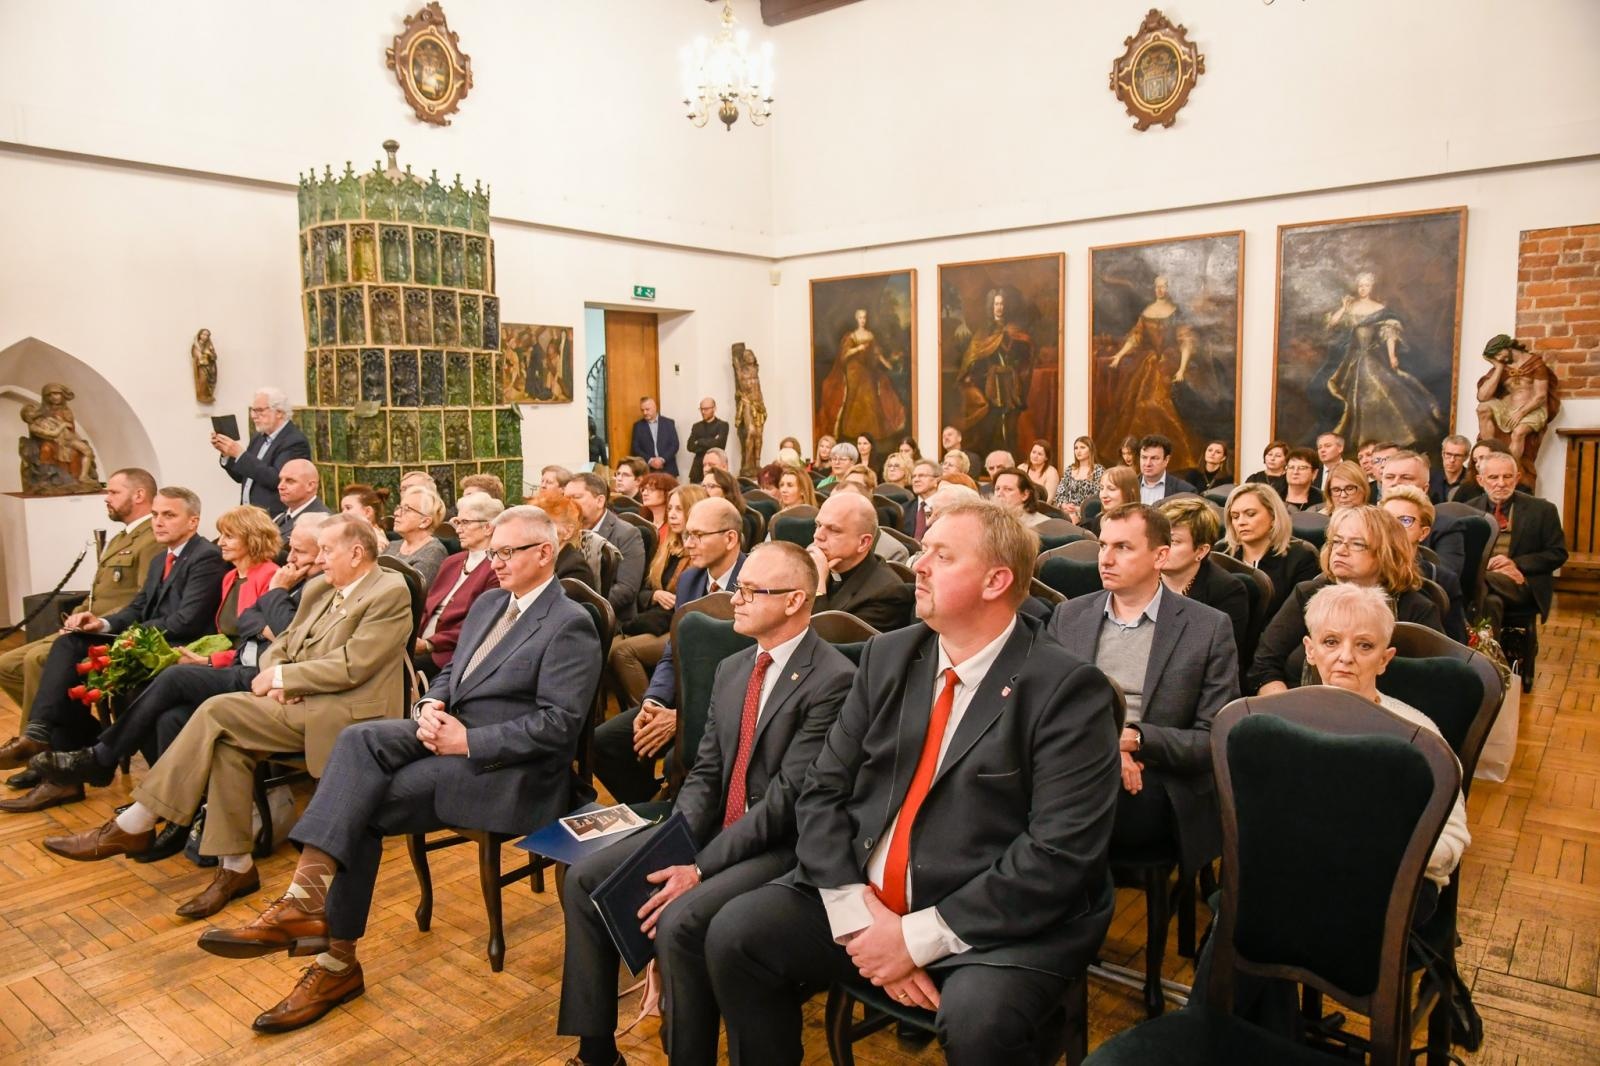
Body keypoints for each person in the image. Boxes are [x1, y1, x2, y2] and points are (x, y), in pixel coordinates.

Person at [706, 501, 1122, 1066]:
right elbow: (823, 790)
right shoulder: (889, 655)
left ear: (996, 581)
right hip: (869, 897)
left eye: (941, 555)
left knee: (981, 1022)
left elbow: (1058, 854)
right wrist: (859, 918)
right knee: (737, 934)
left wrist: (913, 939)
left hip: (989, 918)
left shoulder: (1067, 689)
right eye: (924, 551)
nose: (918, 565)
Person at [195, 506, 601, 1033]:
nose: (493, 562)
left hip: (506, 769)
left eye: (506, 553)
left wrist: (467, 740)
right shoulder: (491, 602)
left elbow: (559, 726)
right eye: (492, 551)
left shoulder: (570, 623)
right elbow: (452, 671)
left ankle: (333, 960)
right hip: (448, 732)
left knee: (359, 805)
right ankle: (304, 903)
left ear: (543, 553)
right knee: (359, 737)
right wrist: (430, 705)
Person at [559, 543, 855, 1066]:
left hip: (780, 844)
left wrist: (697, 865)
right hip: (716, 825)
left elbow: (786, 801)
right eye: (738, 587)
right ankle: (596, 1053)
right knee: (584, 879)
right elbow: (707, 770)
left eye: (749, 591)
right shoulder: (734, 666)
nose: (734, 599)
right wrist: (675, 839)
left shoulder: (832, 679)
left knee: (680, 922)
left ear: (794, 601)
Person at [40, 516, 411, 923]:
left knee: (218, 710)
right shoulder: (323, 588)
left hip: (346, 712)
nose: (317, 561)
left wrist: (287, 676)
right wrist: (278, 676)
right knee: (226, 743)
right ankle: (235, 866)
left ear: (357, 553)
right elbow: (282, 642)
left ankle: (139, 820)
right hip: (298, 700)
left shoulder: (389, 592)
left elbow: (354, 665)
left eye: (326, 550)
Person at [32, 515, 324, 859]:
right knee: (169, 716)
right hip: (242, 664)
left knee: (173, 678)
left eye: (301, 552)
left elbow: (289, 634)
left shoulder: (297, 582)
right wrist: (259, 625)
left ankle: (103, 758)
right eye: (292, 549)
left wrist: (274, 596)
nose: (290, 558)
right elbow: (248, 622)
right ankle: (177, 815)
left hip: (268, 677)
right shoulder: (259, 577)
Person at [1049, 504, 1238, 926]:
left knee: (1070, 811)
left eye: (1122, 547)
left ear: (1160, 556)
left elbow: (1212, 738)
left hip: (1157, 777)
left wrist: (1134, 739)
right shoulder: (1070, 615)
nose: (1105, 558)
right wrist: (1107, 748)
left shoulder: (1208, 627)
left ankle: (1065, 934)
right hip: (1076, 762)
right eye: (1102, 545)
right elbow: (1044, 709)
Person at [0, 487, 227, 812]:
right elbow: (137, 607)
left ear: (193, 522)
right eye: (155, 514)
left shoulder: (204, 556)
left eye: (169, 515)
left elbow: (186, 621)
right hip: (144, 641)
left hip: (173, 648)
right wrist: (102, 624)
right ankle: (41, 737)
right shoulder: (161, 558)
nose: (158, 522)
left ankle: (67, 763)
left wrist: (128, 636)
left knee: (76, 670)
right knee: (69, 645)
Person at [1301, 583, 1469, 894]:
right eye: (1331, 641)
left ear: (1385, 658)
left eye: (1364, 646)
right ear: (1310, 650)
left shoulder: (1418, 735)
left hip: (1389, 886)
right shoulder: (1280, 720)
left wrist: (1379, 850)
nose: (1345, 657)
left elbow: (1451, 841)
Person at [593, 499, 746, 804]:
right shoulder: (691, 579)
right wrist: (653, 701)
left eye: (698, 535)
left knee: (682, 754)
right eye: (687, 534)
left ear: (730, 538)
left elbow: (753, 668)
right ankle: (654, 807)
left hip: (731, 711)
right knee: (603, 742)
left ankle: (681, 816)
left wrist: (681, 718)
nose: (688, 544)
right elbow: (671, 652)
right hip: (683, 699)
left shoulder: (754, 581)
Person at [0, 468, 160, 739]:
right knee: (6, 665)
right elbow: (98, 592)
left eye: (113, 492)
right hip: (83, 627)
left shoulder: (151, 539)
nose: (106, 498)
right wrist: (75, 616)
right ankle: (76, 731)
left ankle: (38, 745)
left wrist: (96, 623)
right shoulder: (121, 537)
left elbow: (143, 598)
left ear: (139, 495)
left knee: (36, 660)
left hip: (108, 633)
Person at [1248, 505, 1445, 695]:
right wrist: (1288, 709)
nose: (1341, 550)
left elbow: (1429, 686)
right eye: (1337, 541)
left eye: (1357, 544)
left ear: (1387, 552)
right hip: (1293, 707)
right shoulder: (1308, 593)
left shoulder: (1417, 610)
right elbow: (1264, 665)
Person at [608, 484, 710, 709]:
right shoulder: (666, 546)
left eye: (679, 509)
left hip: (673, 624)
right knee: (608, 647)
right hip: (655, 618)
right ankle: (628, 709)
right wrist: (655, 595)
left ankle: (647, 709)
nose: (672, 514)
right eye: (670, 508)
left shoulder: (702, 553)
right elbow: (642, 589)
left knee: (623, 652)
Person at [1320, 272, 1444, 447]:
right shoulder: (1350, 307)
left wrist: (1392, 356)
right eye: (1361, 285)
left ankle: (1395, 437)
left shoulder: (1380, 309)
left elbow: (1389, 333)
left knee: (1379, 387)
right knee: (1355, 393)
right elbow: (1332, 324)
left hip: (1372, 356)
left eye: (1367, 285)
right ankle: (1358, 439)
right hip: (1351, 357)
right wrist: (1343, 307)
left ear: (1372, 287)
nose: (1363, 289)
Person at [1102, 275, 1197, 470]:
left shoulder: (1176, 313)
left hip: (1170, 361)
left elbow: (1185, 342)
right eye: (1158, 287)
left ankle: (1170, 456)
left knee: (1156, 404)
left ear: (1170, 289)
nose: (1160, 290)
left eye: (1164, 286)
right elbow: (1135, 338)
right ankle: (1139, 457)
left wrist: (1181, 369)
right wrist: (1119, 356)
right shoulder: (1147, 312)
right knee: (1139, 404)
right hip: (1150, 361)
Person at [1465, 452, 1568, 623]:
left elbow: (1558, 554)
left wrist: (1516, 564)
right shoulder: (1468, 509)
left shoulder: (1543, 510)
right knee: (1491, 602)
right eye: (1493, 477)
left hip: (1523, 581)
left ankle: (1479, 579)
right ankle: (1489, 650)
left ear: (1517, 477)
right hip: (1490, 584)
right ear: (1480, 480)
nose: (1501, 483)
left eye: (1507, 476)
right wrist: (1485, 567)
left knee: (1474, 582)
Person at [413, 493, 504, 676]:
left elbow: (480, 624)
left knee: (390, 670)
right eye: (457, 522)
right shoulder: (452, 562)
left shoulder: (497, 567)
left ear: (487, 527)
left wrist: (430, 644)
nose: (458, 529)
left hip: (453, 654)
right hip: (419, 644)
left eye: (465, 523)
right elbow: (426, 607)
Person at [807, 492, 915, 632]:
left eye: (834, 530)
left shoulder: (887, 593)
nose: (818, 535)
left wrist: (818, 586)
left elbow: (827, 644)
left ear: (863, 542)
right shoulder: (815, 567)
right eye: (818, 525)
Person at [1221, 483, 1322, 625]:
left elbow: (1298, 620)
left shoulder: (1301, 557)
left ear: (1273, 516)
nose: (1241, 522)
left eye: (1250, 514)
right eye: (1235, 516)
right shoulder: (1221, 553)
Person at [1158, 496, 1249, 652]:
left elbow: (1216, 654)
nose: (1161, 548)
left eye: (1173, 542)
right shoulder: (1141, 576)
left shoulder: (1227, 591)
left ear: (1201, 551)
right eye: (1160, 538)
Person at [1381, 486, 1469, 643]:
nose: (1393, 526)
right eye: (1386, 519)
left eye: (1405, 520)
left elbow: (1457, 647)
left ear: (1423, 532)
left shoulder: (1442, 579)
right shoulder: (1360, 571)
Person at [1476, 333, 1560, 486]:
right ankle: (1490, 454)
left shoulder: (1535, 364)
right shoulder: (1502, 367)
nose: (1499, 358)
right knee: (1482, 409)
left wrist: (1521, 412)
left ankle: (1508, 468)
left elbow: (1540, 396)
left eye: (1499, 354)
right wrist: (1499, 368)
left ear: (1507, 347)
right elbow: (1482, 396)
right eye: (1495, 357)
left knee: (1519, 432)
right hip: (1508, 408)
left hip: (1532, 409)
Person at [212, 387, 311, 512]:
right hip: (249, 516)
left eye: (259, 411)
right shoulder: (258, 437)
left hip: (274, 517)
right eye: (253, 411)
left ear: (279, 412)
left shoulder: (294, 441)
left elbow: (276, 479)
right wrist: (227, 453)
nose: (254, 416)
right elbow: (241, 476)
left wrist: (240, 454)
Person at [958, 290, 1033, 455]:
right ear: (991, 306)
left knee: (1011, 421)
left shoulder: (1014, 330)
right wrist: (974, 374)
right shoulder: (985, 331)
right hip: (991, 383)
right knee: (993, 421)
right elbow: (974, 355)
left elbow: (1023, 356)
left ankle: (1010, 455)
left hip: (1011, 382)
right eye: (996, 304)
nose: (999, 307)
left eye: (1002, 304)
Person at [566, 472, 646, 624]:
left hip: (609, 619)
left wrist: (586, 609)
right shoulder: (566, 532)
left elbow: (626, 589)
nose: (568, 504)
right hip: (569, 613)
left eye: (576, 497)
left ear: (600, 500)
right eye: (566, 498)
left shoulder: (627, 534)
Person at [820, 309, 907, 445]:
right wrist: (857, 349)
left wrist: (887, 364)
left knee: (870, 398)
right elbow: (844, 355)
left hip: (867, 372)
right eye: (860, 317)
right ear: (856, 319)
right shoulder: (852, 336)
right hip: (854, 371)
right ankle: (851, 432)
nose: (863, 320)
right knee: (853, 399)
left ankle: (871, 434)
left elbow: (877, 354)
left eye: (865, 317)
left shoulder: (870, 335)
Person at [1379, 449, 1466, 581]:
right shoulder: (1366, 522)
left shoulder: (1446, 527)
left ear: (1425, 489)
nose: (1395, 483)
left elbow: (1445, 578)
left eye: (1406, 477)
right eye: (1389, 477)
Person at [380, 483, 448, 587]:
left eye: (406, 509)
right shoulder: (393, 545)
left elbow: (413, 593)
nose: (397, 513)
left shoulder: (433, 552)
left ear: (425, 522)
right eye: (399, 507)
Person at [536, 490, 602, 588]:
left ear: (568, 532)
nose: (537, 529)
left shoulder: (575, 569)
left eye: (547, 523)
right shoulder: (539, 557)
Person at [272, 459, 330, 546]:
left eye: (290, 481)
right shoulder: (281, 517)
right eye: (280, 480)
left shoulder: (322, 521)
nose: (280, 486)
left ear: (310, 486)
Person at [1053, 434, 1105, 521]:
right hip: (1066, 511)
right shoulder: (1069, 470)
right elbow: (1060, 493)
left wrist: (1078, 508)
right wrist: (1064, 505)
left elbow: (1098, 496)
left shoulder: (1098, 470)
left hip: (1086, 514)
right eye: (1076, 448)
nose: (1078, 451)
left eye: (1082, 447)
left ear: (1090, 450)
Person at [1136, 435, 1197, 504]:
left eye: (1154, 458)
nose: (1147, 464)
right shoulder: (1127, 488)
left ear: (1166, 460)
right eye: (1144, 457)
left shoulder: (1185, 491)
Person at [631, 396, 681, 476]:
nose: (645, 413)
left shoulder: (669, 423)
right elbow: (635, 448)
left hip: (668, 469)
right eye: (642, 410)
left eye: (647, 409)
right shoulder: (638, 426)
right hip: (647, 470)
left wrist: (662, 460)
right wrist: (650, 461)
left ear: (655, 408)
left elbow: (675, 445)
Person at [1084, 465, 1140, 537]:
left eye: (1111, 489)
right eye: (1101, 488)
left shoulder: (1141, 525)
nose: (1103, 495)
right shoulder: (1098, 521)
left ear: (1130, 492)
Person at [686, 397, 730, 482]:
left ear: (714, 408)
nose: (703, 412)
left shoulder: (722, 425)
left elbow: (719, 445)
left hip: (716, 470)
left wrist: (699, 441)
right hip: (697, 471)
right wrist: (712, 440)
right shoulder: (696, 426)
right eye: (701, 409)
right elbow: (690, 446)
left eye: (706, 409)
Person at [1431, 434, 1474, 504]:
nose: (1452, 460)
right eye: (1448, 454)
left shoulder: (1472, 481)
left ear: (1466, 457)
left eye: (1457, 456)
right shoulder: (1430, 477)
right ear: (1442, 454)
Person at [904, 459, 941, 539]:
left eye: (922, 476)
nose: (916, 480)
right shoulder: (904, 509)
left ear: (936, 480)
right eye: (913, 476)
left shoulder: (944, 508)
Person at [1281, 447, 1324, 513]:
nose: (1295, 472)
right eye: (1291, 467)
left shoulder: (1324, 501)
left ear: (1314, 473)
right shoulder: (1273, 498)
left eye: (1302, 468)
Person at [637, 472, 677, 536]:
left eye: (651, 489)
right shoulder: (642, 523)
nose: (644, 493)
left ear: (667, 492)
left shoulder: (673, 527)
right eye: (643, 489)